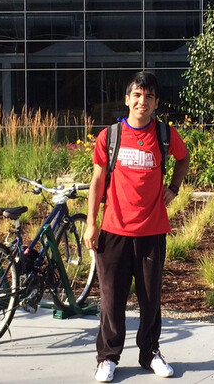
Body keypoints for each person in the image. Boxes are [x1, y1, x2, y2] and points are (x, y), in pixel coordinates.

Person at [84, 70, 189, 382]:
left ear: (156, 103)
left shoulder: (166, 135)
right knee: (111, 299)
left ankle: (150, 352)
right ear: (128, 99)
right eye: (138, 95)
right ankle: (107, 358)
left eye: (150, 96)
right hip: (114, 231)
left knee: (150, 299)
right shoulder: (110, 136)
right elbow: (97, 181)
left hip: (152, 232)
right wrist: (91, 224)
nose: (143, 101)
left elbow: (184, 160)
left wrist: (174, 188)